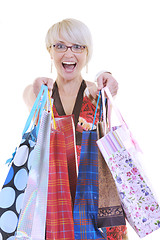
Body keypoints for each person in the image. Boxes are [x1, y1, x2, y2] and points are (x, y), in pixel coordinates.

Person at [23, 18, 128, 240]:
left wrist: (106, 76)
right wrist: (36, 86)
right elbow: (29, 96)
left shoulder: (96, 93)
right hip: (51, 198)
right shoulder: (40, 94)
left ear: (86, 53)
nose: (68, 53)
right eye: (60, 46)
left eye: (78, 46)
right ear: (49, 51)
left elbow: (110, 88)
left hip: (94, 197)